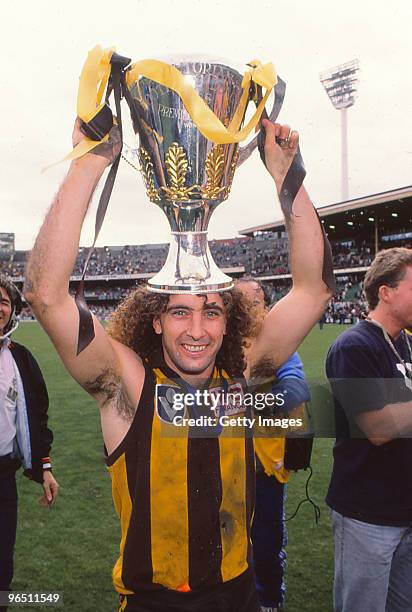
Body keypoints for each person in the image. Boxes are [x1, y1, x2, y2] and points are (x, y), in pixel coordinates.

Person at [25, 117, 331, 612]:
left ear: (228, 323)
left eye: (212, 311)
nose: (197, 329)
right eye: (180, 311)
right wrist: (88, 163)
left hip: (241, 596)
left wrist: (286, 176)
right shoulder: (127, 386)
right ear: (154, 322)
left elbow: (313, 289)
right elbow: (46, 295)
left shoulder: (243, 376)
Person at [326, 247, 412, 612]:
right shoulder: (353, 346)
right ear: (386, 292)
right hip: (367, 513)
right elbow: (377, 427)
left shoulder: (407, 342)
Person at [236, 278, 310, 612]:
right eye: (240, 302)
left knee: (265, 541)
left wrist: (239, 401)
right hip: (220, 465)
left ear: (267, 307)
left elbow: (295, 391)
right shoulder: (214, 342)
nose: (248, 308)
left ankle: (268, 600)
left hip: (263, 467)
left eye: (255, 301)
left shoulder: (280, 347)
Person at [0, 275, 59, 605]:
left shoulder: (20, 358)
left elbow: (38, 417)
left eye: (4, 301)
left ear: (12, 311)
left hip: (2, 478)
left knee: (2, 565)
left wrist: (45, 468)